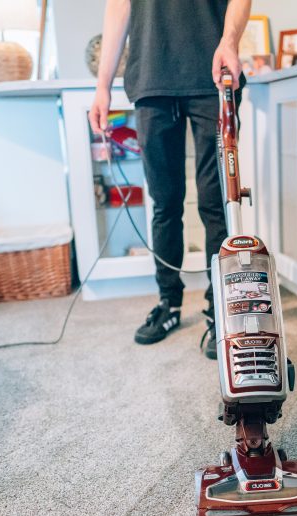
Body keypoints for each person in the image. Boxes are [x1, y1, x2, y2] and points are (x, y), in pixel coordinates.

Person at [89, 0, 251, 360]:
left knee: (217, 204)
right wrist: (103, 85)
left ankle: (219, 308)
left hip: (212, 73)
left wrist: (229, 40)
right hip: (151, 79)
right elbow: (119, 7)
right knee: (164, 202)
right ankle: (169, 302)